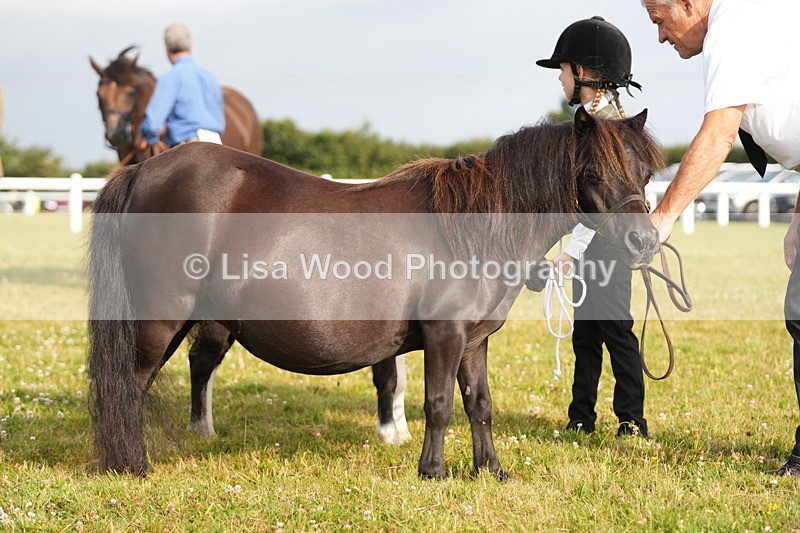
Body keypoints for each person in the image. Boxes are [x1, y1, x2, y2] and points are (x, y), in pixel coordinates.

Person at [639, 0, 800, 474]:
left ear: (688, 4)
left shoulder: (733, 23)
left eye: (659, 21)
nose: (661, 37)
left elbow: (719, 133)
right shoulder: (745, 20)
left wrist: (663, 216)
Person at [536, 16, 648, 438]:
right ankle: (581, 415)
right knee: (587, 331)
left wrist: (570, 250)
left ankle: (630, 418)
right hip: (595, 243)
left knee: (615, 330)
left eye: (563, 70)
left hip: (606, 245)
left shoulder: (604, 128)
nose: (561, 79)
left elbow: (602, 199)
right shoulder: (596, 120)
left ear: (581, 72)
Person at [136, 24, 225, 150]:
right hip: (218, 146)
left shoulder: (171, 77)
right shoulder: (211, 78)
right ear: (191, 45)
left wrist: (147, 136)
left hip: (187, 147)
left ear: (167, 48)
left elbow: (151, 125)